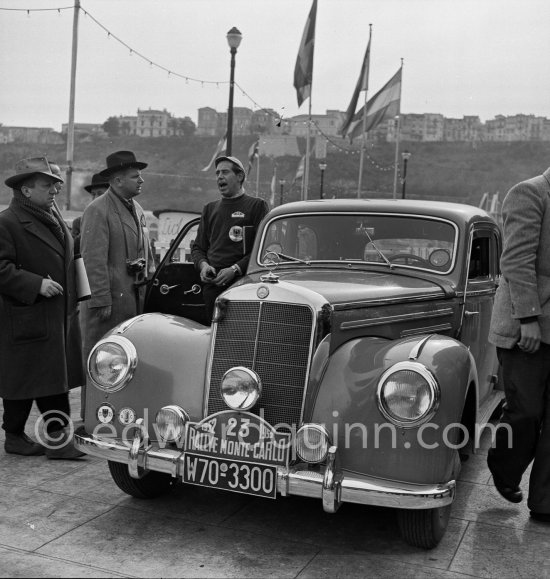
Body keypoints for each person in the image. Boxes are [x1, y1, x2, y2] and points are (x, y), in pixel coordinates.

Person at [0, 157, 85, 459]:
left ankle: (58, 440)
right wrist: (36, 284)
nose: (55, 190)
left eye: (55, 184)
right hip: (25, 313)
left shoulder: (50, 218)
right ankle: (15, 436)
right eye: (47, 184)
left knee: (50, 378)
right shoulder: (7, 222)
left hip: (52, 315)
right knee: (21, 381)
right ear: (26, 190)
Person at [487, 166, 550, 523]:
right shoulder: (530, 192)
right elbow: (515, 261)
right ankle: (505, 466)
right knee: (525, 411)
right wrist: (527, 318)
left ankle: (545, 503)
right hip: (525, 328)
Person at [80, 151, 154, 363]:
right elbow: (92, 260)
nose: (141, 180)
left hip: (133, 302)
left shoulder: (138, 209)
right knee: (102, 362)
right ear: (118, 181)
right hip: (109, 305)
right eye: (135, 176)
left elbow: (147, 255)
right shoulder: (97, 210)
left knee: (126, 364)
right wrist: (101, 299)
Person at [191, 155, 269, 322]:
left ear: (239, 176)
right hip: (212, 288)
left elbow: (263, 249)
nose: (219, 177)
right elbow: (198, 248)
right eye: (217, 173)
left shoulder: (257, 206)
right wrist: (203, 266)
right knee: (212, 337)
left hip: (244, 285)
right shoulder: (210, 209)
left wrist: (234, 269)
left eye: (225, 172)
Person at [72, 173, 109, 254]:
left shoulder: (118, 219)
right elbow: (74, 251)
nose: (95, 198)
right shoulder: (79, 222)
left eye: (100, 194)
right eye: (93, 194)